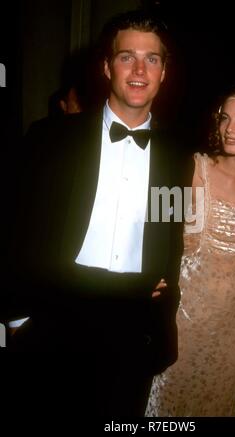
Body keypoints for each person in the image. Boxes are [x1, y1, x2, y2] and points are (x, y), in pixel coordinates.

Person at [7, 10, 182, 417]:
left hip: (134, 320)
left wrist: (164, 287)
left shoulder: (177, 153)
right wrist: (16, 316)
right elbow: (15, 228)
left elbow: (171, 228)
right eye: (127, 57)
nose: (139, 69)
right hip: (57, 315)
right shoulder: (51, 138)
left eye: (152, 59)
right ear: (107, 66)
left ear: (164, 72)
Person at [145, 82, 235, 417]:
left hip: (231, 326)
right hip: (178, 320)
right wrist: (147, 279)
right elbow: (153, 227)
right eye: (225, 118)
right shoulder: (192, 169)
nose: (230, 128)